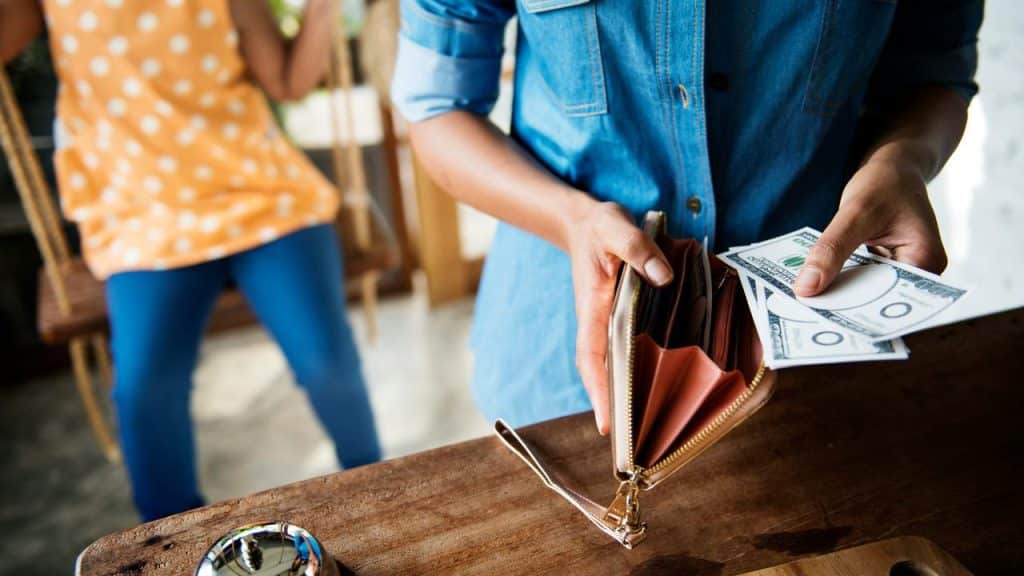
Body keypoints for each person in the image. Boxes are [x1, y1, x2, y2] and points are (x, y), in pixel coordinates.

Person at [391, 1, 982, 433]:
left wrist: (904, 159)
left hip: (814, 366)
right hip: (562, 375)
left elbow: (935, 73)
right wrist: (568, 219)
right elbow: (437, 109)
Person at [1, 0, 381, 520]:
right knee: (143, 389)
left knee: (326, 362)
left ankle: (378, 492)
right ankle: (167, 543)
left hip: (259, 191)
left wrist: (323, 11)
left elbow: (288, 84)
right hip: (141, 213)